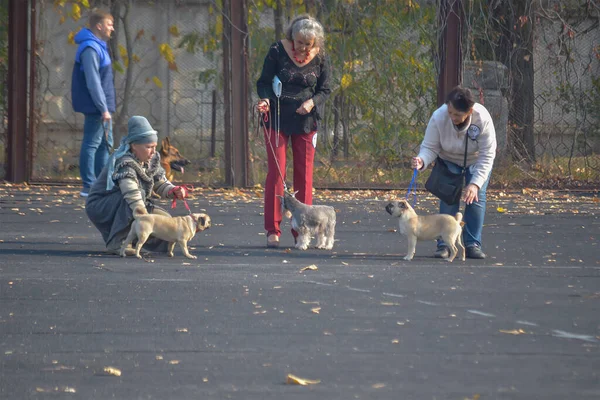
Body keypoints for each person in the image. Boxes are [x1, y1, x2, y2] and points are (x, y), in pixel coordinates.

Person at [256, 14, 331, 248]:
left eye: (309, 44)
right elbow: (263, 81)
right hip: (277, 118)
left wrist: (312, 103)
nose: (304, 48)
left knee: (304, 176)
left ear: (315, 43)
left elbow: (325, 89)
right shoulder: (278, 50)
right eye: (300, 42)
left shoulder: (321, 57)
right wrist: (265, 100)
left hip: (306, 121)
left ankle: (302, 230)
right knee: (277, 174)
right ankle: (273, 229)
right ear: (292, 37)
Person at [411, 86, 497, 259]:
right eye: (450, 112)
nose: (452, 117)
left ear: (470, 111)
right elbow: (429, 147)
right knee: (448, 199)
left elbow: (488, 154)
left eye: (457, 114)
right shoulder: (439, 116)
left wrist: (475, 184)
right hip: (448, 159)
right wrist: (422, 160)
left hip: (475, 161)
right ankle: (444, 244)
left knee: (475, 198)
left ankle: (472, 244)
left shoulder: (482, 118)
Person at [85, 116, 187, 255]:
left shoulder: (152, 159)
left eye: (154, 147)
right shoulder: (124, 161)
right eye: (148, 147)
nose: (152, 151)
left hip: (130, 201)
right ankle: (117, 243)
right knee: (136, 201)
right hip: (102, 205)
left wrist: (172, 190)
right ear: (134, 146)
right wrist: (145, 217)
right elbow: (131, 192)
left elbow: (159, 181)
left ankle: (136, 242)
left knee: (166, 221)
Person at [71, 8, 116, 197]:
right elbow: (93, 81)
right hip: (98, 107)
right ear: (99, 26)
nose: (112, 29)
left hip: (103, 107)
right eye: (109, 24)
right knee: (92, 143)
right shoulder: (90, 48)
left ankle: (102, 184)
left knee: (104, 144)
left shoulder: (99, 46)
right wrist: (103, 108)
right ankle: (89, 186)